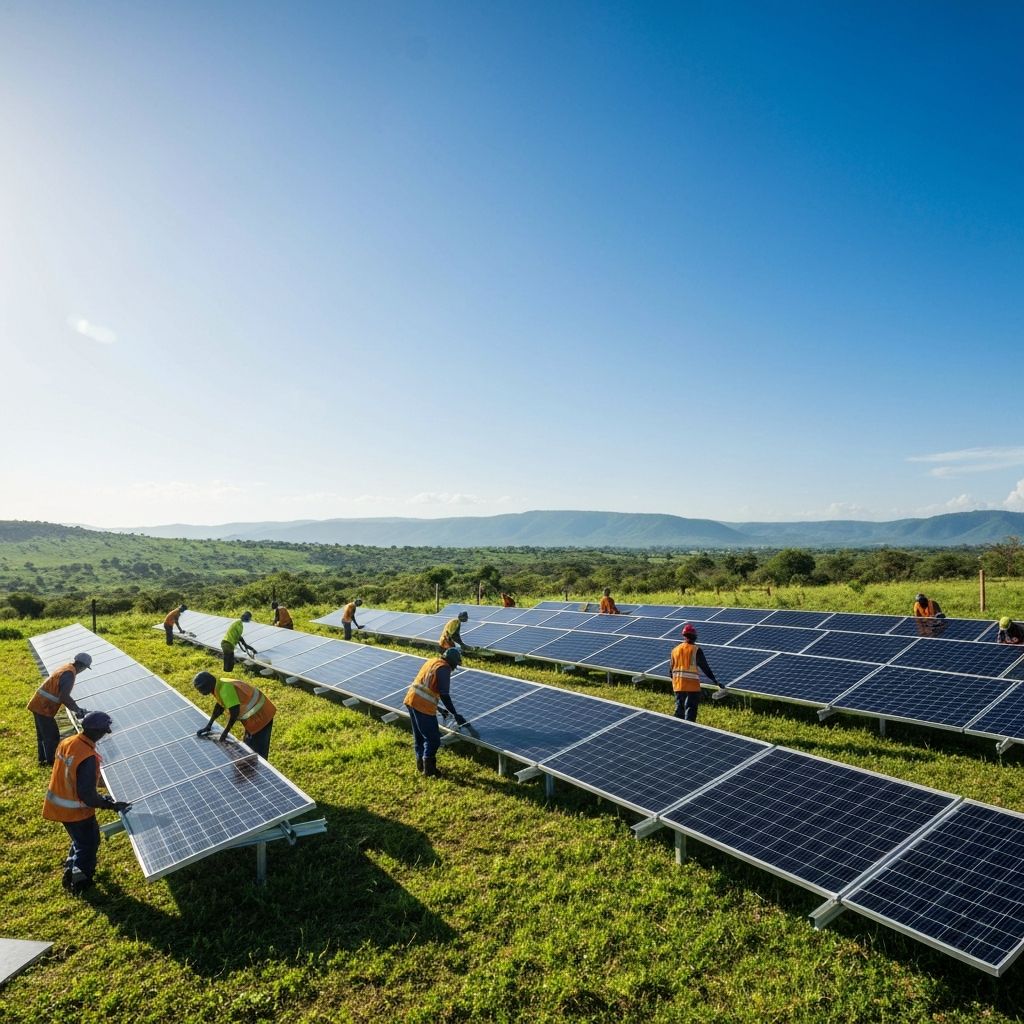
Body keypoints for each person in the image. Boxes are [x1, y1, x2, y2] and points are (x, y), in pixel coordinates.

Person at [42, 710, 131, 895]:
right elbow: (87, 795)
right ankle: (80, 884)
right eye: (104, 730)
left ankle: (70, 871)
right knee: (88, 844)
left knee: (80, 841)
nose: (106, 734)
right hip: (76, 811)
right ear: (96, 731)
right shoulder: (87, 757)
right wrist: (110, 805)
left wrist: (103, 799)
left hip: (59, 804)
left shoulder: (69, 741)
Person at [403, 648, 467, 776]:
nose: (454, 668)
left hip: (412, 700)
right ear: (452, 662)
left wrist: (440, 708)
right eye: (455, 664)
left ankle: (420, 763)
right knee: (433, 739)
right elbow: (444, 694)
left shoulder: (433, 661)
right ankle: (429, 769)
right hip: (423, 706)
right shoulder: (444, 668)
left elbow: (426, 687)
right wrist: (454, 714)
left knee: (419, 737)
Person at [193, 671, 277, 759]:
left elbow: (234, 714)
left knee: (257, 754)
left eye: (200, 689)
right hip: (255, 718)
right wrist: (209, 726)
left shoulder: (225, 689)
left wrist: (224, 734)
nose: (200, 692)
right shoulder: (219, 685)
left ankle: (262, 770)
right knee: (248, 748)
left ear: (206, 686)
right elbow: (219, 707)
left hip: (262, 717)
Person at [28, 652, 93, 767]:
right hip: (44, 707)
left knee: (43, 735)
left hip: (39, 703)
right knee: (51, 736)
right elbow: (64, 697)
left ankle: (43, 760)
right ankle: (53, 762)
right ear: (82, 666)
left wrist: (75, 708)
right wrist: (77, 709)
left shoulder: (66, 668)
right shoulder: (69, 674)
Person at [670, 623, 724, 722]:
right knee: (690, 711)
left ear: (684, 636)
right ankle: (688, 732)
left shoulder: (675, 650)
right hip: (692, 686)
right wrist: (715, 681)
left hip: (678, 685)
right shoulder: (696, 650)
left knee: (679, 710)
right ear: (694, 637)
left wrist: (675, 681)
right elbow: (705, 668)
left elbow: (671, 670)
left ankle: (677, 730)